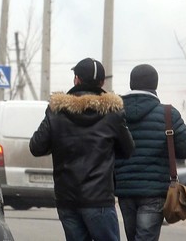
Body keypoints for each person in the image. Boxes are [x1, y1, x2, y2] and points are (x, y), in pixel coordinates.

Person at [30, 58, 135, 241]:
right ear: (102, 82)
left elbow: (36, 147)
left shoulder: (56, 111)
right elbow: (128, 150)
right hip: (100, 198)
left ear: (76, 79)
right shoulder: (113, 113)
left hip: (67, 199)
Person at [114, 64, 186, 241]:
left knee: (132, 237)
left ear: (131, 84)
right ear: (155, 85)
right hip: (154, 190)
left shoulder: (116, 113)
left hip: (125, 188)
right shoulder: (168, 114)